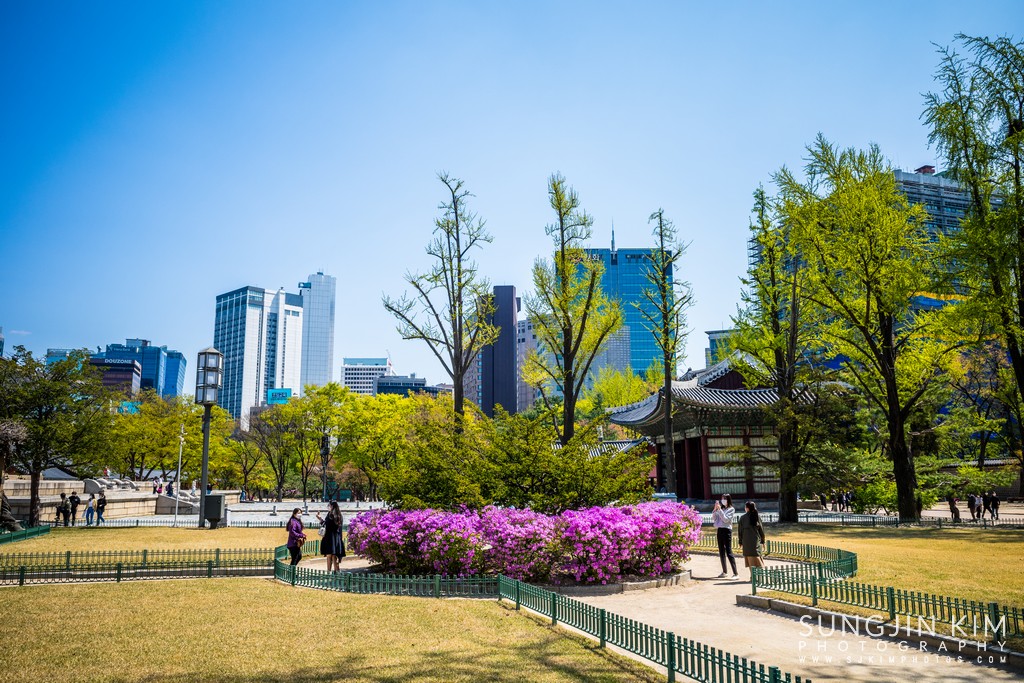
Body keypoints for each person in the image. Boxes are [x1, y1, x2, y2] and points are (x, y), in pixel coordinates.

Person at [712, 493, 738, 578]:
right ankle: (724, 571)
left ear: (728, 500)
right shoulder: (721, 508)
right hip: (720, 530)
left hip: (727, 530)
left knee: (728, 551)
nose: (723, 500)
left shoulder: (731, 509)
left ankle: (735, 573)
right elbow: (714, 518)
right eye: (722, 498)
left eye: (725, 499)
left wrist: (720, 510)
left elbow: (726, 520)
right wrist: (715, 510)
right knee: (721, 551)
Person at [738, 501, 766, 577]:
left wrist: (740, 542)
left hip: (746, 542)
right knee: (757, 557)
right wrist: (763, 541)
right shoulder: (757, 516)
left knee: (750, 559)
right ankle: (759, 575)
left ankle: (753, 576)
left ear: (747, 508)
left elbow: (740, 531)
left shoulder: (742, 518)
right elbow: (761, 530)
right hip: (756, 541)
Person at [316, 502, 346, 573]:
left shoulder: (330, 515)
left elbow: (327, 525)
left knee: (329, 555)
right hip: (337, 537)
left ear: (332, 506)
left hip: (329, 537)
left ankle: (329, 571)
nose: (328, 507)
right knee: (334, 555)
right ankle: (336, 571)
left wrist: (320, 519)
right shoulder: (339, 515)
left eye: (329, 505)